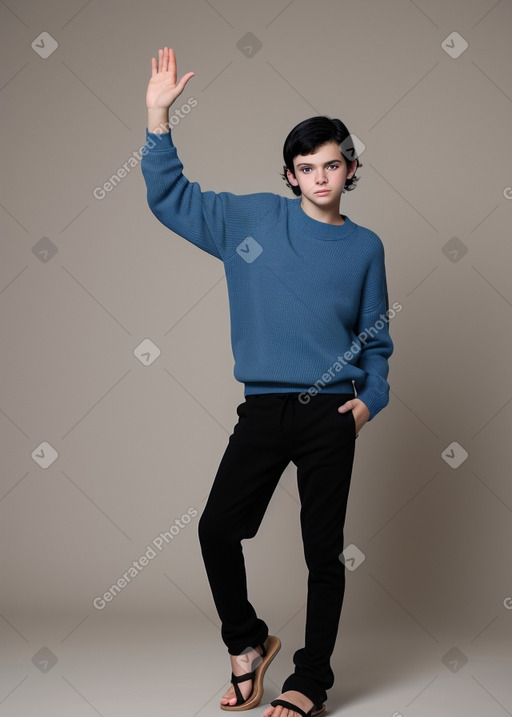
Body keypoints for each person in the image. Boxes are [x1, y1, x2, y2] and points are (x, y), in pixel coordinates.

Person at [142, 46, 394, 717]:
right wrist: (158, 119)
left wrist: (369, 401)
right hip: (263, 407)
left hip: (330, 414)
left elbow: (377, 340)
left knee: (322, 551)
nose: (320, 177)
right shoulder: (253, 218)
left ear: (351, 168)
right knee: (217, 528)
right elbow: (171, 198)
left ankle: (310, 680)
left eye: (331, 164)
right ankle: (248, 643)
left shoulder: (365, 247)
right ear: (289, 175)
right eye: (306, 167)